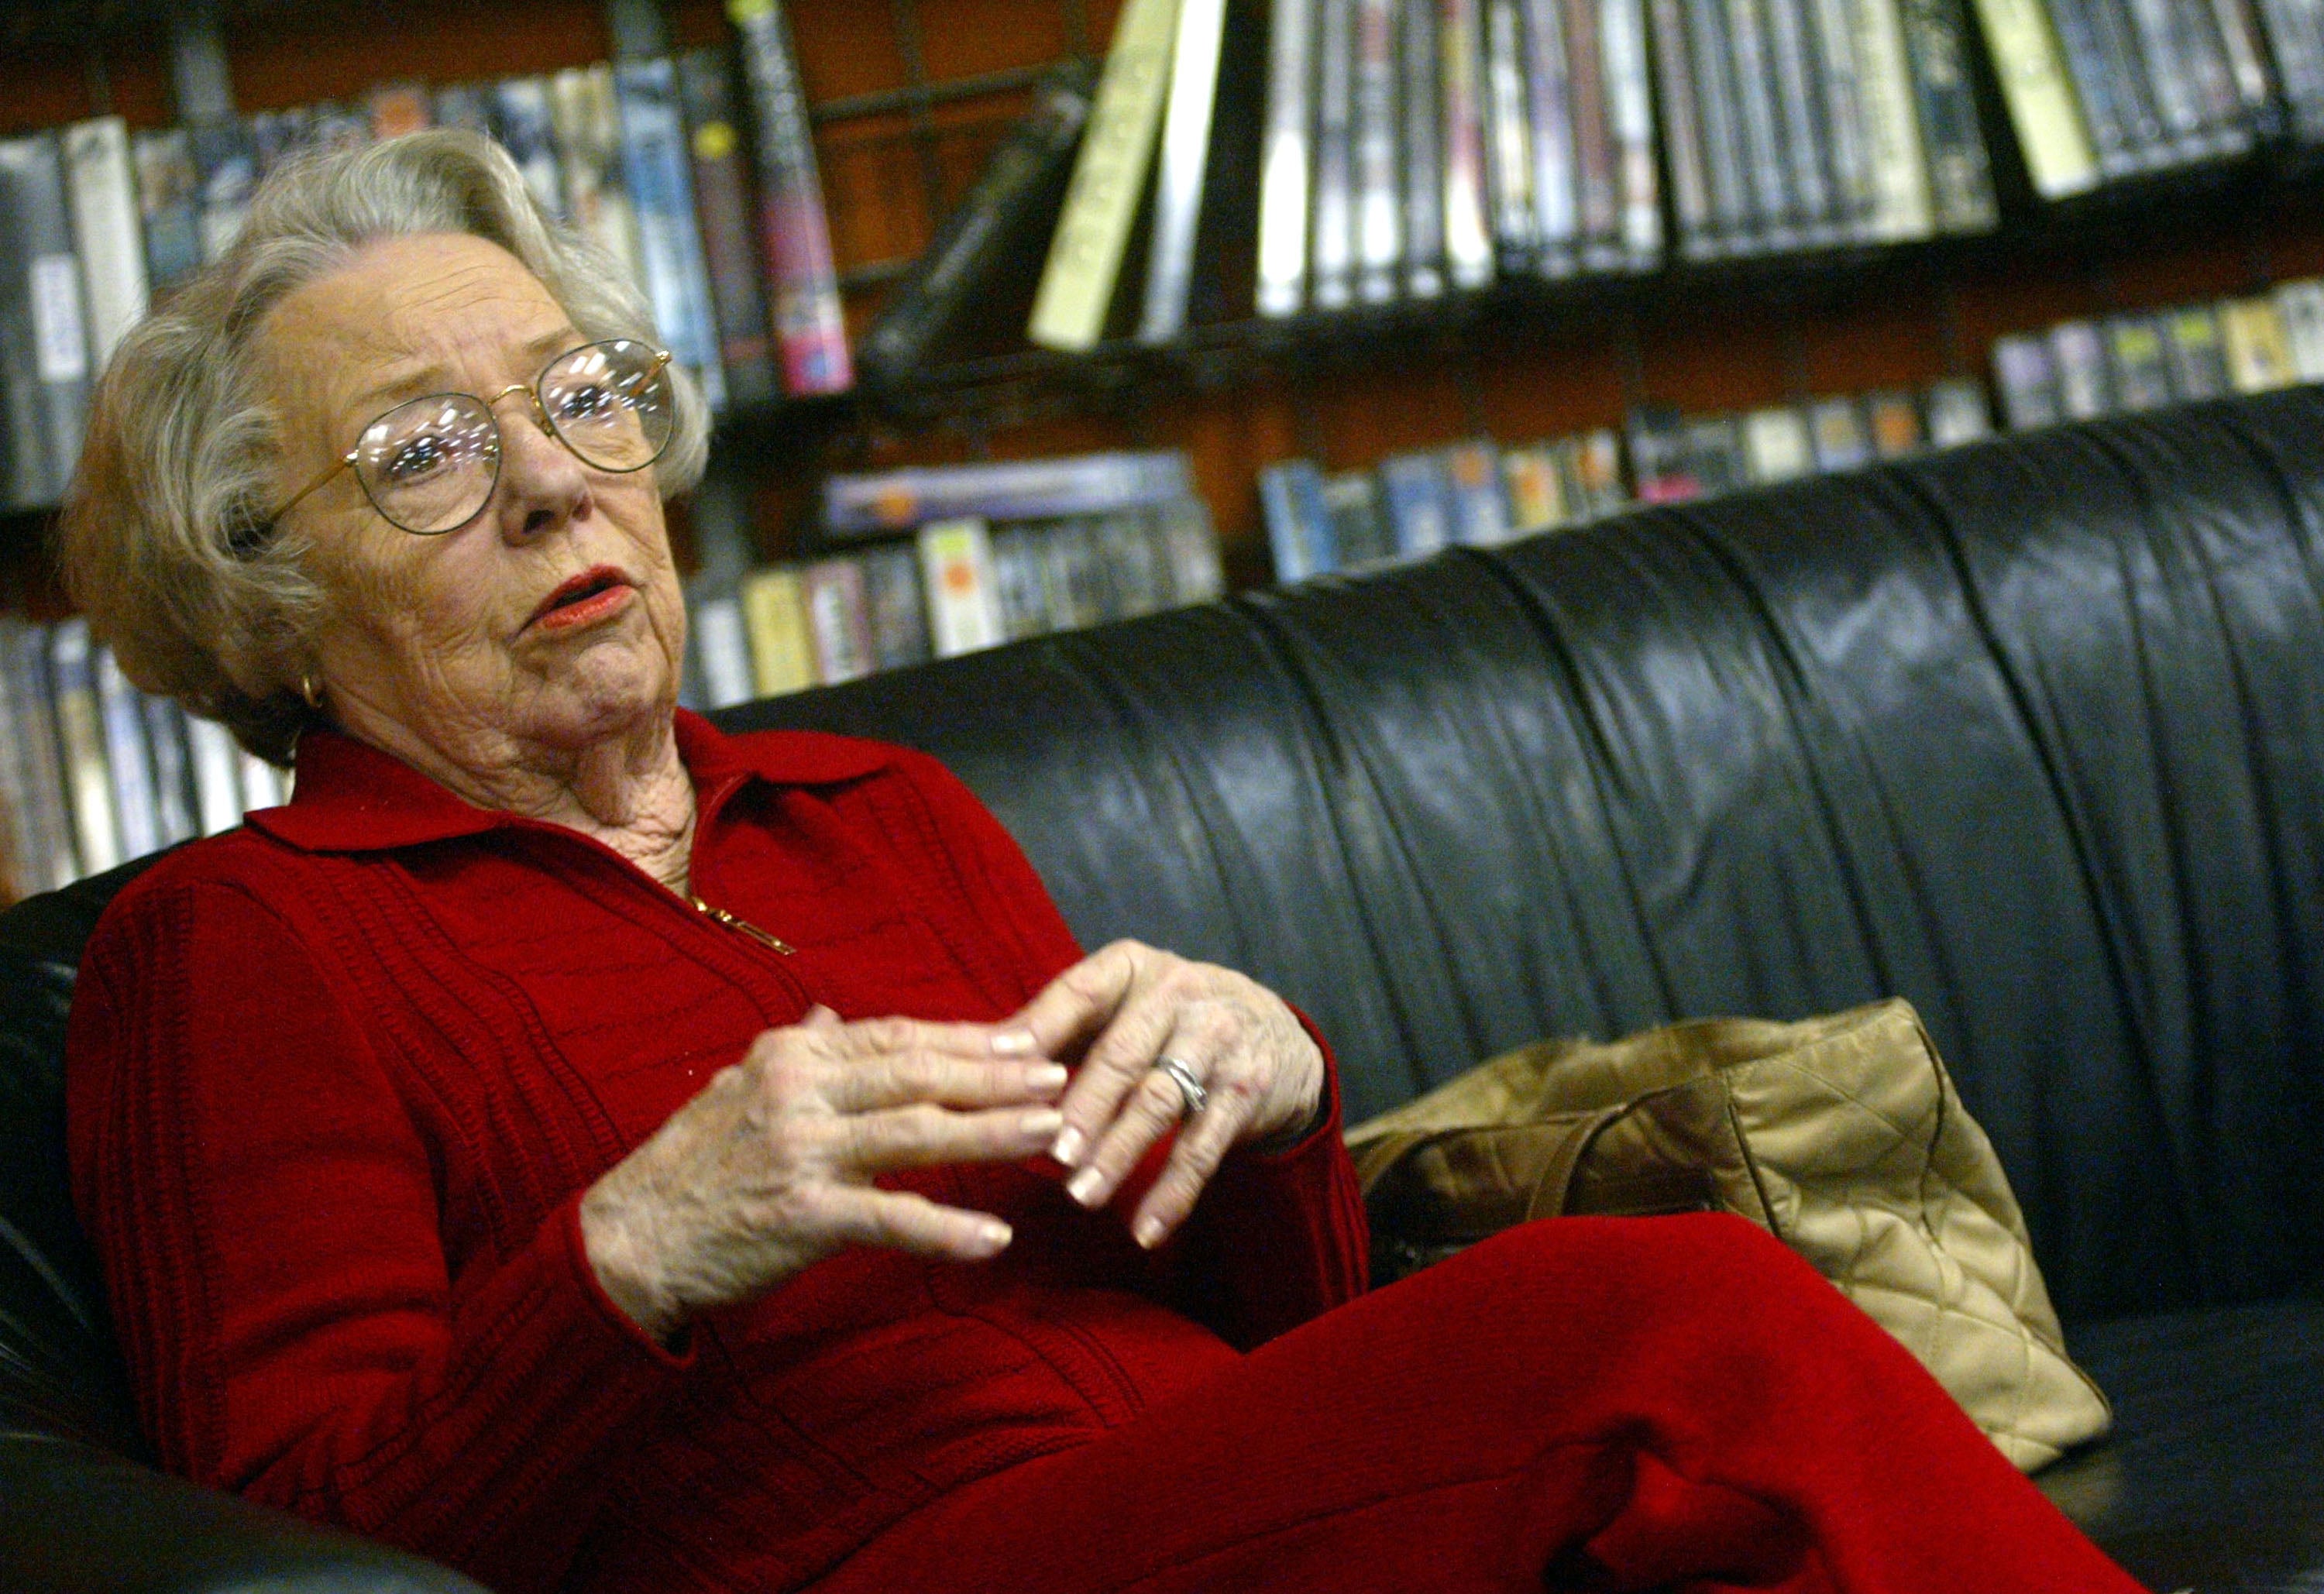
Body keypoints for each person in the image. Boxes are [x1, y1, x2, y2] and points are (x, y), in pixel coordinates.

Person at [60, 130, 2140, 1594]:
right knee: (1674, 1321)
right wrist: (635, 1248)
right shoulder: (241, 945)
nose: (545, 480)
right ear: (259, 587)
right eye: (421, 451)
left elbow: (1276, 1356)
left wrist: (1269, 1108)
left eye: (579, 397)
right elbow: (300, 1536)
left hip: (1190, 1508)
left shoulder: (887, 812)